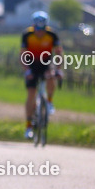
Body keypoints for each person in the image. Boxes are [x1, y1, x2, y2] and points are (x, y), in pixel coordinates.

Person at [21, 10, 63, 139]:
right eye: (38, 29)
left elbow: (59, 53)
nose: (40, 32)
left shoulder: (52, 34)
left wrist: (58, 69)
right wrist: (27, 70)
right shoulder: (27, 35)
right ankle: (28, 126)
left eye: (43, 29)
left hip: (46, 63)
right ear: (34, 26)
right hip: (32, 64)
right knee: (31, 95)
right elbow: (22, 54)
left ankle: (49, 102)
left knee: (51, 75)